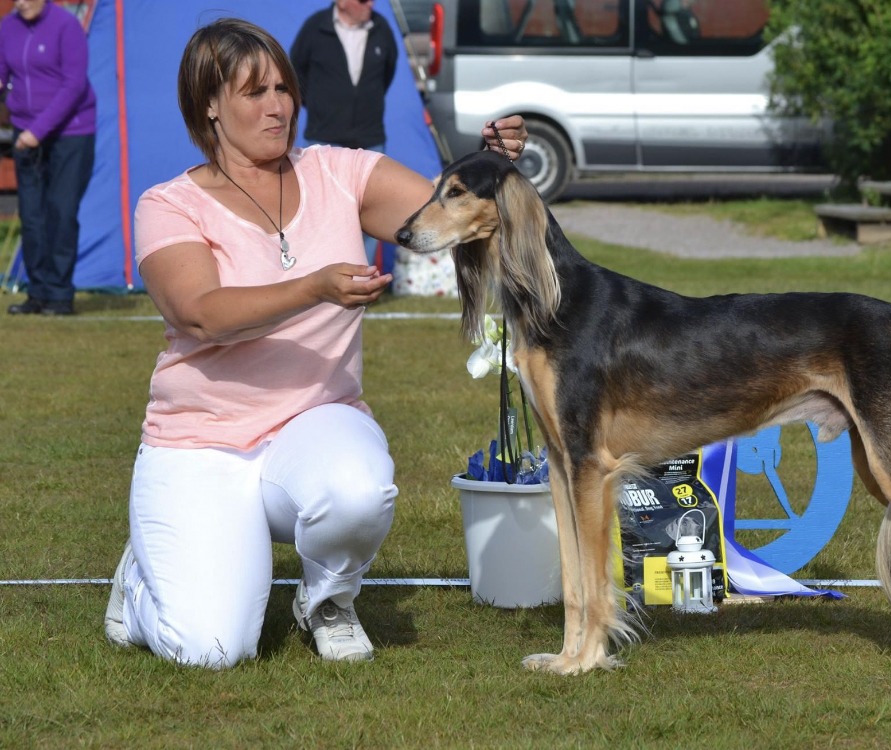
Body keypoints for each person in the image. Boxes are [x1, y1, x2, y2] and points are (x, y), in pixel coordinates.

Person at [102, 18, 526, 668]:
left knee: (359, 487)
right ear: (208, 104)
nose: (278, 105)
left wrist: (491, 163)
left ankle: (327, 598)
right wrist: (313, 287)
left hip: (314, 423)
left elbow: (449, 220)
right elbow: (201, 315)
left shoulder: (339, 171)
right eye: (254, 92)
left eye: (283, 88)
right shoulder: (169, 204)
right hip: (200, 443)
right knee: (211, 648)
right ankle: (140, 582)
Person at [0, 0, 96, 316]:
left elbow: (74, 86)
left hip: (71, 133)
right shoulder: (7, 27)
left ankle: (59, 296)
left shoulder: (66, 27)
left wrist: (37, 131)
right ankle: (37, 293)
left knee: (61, 210)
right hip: (25, 133)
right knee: (32, 214)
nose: (22, 3)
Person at [290, 0, 397, 266]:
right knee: (319, 213)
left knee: (369, 213)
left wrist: (363, 106)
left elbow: (387, 73)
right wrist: (321, 107)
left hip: (370, 138)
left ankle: (362, 284)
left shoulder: (381, 28)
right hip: (323, 137)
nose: (370, 4)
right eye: (363, 0)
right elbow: (295, 73)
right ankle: (319, 278)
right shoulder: (315, 28)